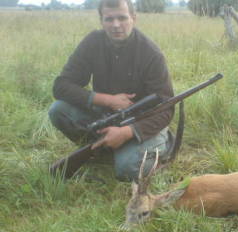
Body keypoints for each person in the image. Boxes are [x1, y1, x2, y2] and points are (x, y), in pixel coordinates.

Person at [48, 0, 174, 182]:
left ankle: (162, 143)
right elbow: (61, 86)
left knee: (128, 170)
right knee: (58, 110)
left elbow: (166, 109)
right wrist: (107, 100)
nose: (116, 25)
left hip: (143, 122)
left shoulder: (151, 53)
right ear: (101, 21)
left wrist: (127, 132)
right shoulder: (92, 42)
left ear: (134, 18)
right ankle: (102, 148)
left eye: (122, 18)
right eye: (109, 19)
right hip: (105, 116)